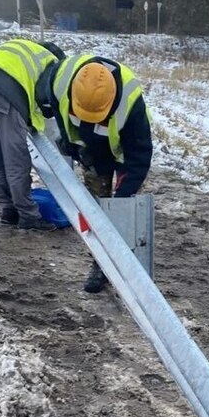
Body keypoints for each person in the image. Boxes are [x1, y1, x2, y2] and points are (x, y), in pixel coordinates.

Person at [49, 53, 153, 292]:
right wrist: (72, 145)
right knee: (95, 207)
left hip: (123, 151)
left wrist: (122, 198)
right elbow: (55, 106)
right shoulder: (61, 79)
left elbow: (138, 160)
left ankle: (124, 262)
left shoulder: (131, 107)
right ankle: (100, 261)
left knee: (123, 210)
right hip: (92, 152)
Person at [0, 38, 64, 230]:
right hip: (7, 93)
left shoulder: (26, 49)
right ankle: (29, 216)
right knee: (16, 158)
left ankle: (8, 209)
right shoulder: (51, 62)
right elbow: (44, 98)